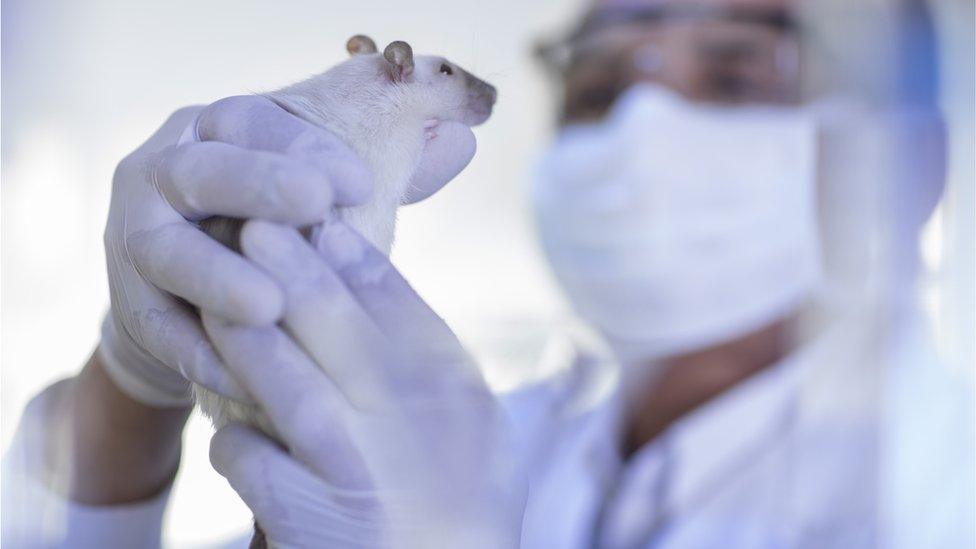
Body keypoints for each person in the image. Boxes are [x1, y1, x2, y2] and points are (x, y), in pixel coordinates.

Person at [3, 0, 967, 547]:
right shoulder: (489, 441)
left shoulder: (938, 497)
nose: (639, 133)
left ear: (909, 163)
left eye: (732, 78)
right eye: (598, 88)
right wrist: (136, 380)